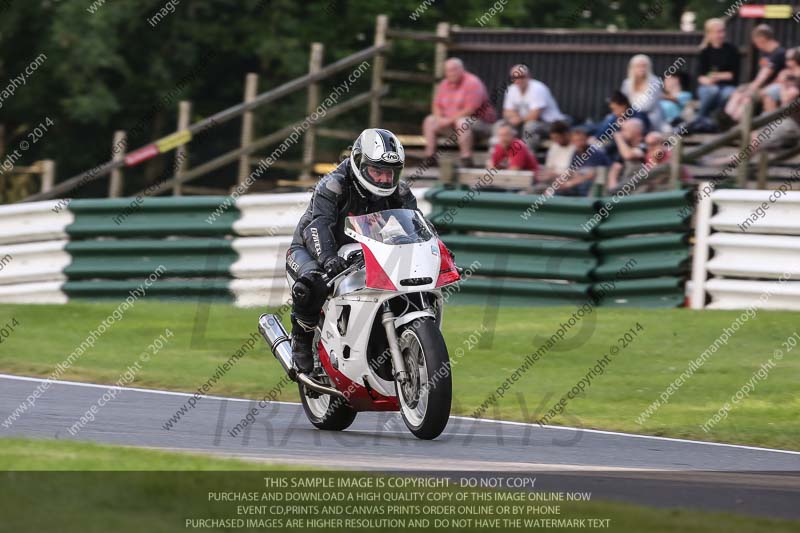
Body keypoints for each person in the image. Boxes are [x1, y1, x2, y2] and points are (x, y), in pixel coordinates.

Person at [286, 128, 418, 374]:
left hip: (364, 251)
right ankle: (300, 341)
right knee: (312, 283)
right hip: (313, 248)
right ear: (359, 163)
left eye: (388, 173)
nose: (382, 179)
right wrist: (328, 259)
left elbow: (415, 226)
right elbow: (318, 226)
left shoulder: (399, 192)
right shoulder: (334, 185)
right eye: (377, 171)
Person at [422, 57, 496, 167]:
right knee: (429, 120)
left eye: (454, 70)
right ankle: (430, 157)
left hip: (480, 126)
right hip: (453, 126)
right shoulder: (444, 84)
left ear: (462, 69)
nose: (451, 73)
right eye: (448, 70)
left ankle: (466, 158)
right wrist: (439, 119)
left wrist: (447, 121)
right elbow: (436, 105)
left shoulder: (473, 82)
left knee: (462, 122)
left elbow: (471, 109)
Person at [497, 64, 565, 151]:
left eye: (522, 77)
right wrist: (514, 118)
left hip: (551, 125)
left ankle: (527, 156)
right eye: (515, 77)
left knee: (530, 126)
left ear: (528, 76)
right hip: (524, 123)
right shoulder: (511, 89)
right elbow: (506, 112)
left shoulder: (538, 88)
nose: (518, 80)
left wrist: (517, 119)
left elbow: (535, 115)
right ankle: (498, 156)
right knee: (500, 125)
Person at [725, 24, 785, 121]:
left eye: (756, 42)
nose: (756, 46)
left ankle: (735, 123)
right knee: (738, 92)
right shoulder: (768, 53)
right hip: (763, 86)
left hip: (770, 88)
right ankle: (728, 119)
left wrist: (750, 90)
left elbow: (763, 77)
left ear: (761, 39)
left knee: (746, 97)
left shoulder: (778, 54)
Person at [695, 18, 740, 120]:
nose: (722, 34)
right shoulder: (704, 51)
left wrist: (716, 76)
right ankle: (701, 117)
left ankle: (706, 118)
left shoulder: (732, 50)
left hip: (727, 86)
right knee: (712, 91)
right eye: (718, 32)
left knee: (726, 94)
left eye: (723, 31)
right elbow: (700, 76)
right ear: (710, 34)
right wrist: (709, 80)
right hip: (709, 86)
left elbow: (732, 75)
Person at [556, 127, 610, 196]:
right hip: (580, 183)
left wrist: (570, 183)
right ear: (572, 142)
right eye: (576, 141)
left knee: (583, 186)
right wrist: (560, 181)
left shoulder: (595, 153)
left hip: (595, 184)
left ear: (586, 139)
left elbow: (591, 175)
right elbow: (571, 171)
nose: (579, 143)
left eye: (581, 140)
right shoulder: (576, 153)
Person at [621, 54, 664, 131]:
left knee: (635, 120)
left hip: (648, 117)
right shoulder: (627, 83)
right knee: (611, 118)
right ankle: (596, 140)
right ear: (632, 68)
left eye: (644, 66)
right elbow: (622, 101)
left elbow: (647, 106)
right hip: (630, 114)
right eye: (638, 66)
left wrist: (628, 110)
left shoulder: (655, 82)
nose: (641, 69)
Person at [607, 118, 646, 191]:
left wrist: (619, 138)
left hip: (639, 184)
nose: (622, 133)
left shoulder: (644, 144)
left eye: (625, 130)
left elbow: (628, 155)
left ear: (636, 131)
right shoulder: (625, 146)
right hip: (622, 183)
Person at [761, 47, 800, 113]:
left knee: (771, 93)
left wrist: (783, 82)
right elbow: (776, 82)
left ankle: (770, 118)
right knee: (768, 93)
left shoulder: (796, 74)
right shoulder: (786, 71)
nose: (786, 61)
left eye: (788, 59)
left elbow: (786, 98)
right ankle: (769, 117)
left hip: (790, 100)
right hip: (785, 94)